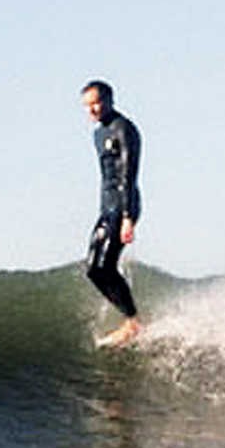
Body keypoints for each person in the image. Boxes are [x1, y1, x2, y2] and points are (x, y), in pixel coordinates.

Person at [80, 80, 142, 347]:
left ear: (109, 99)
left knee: (106, 265)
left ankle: (133, 321)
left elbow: (129, 174)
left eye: (96, 102)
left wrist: (128, 217)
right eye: (87, 105)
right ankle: (130, 319)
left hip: (123, 206)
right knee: (94, 269)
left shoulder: (124, 129)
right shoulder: (98, 133)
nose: (92, 109)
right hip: (106, 207)